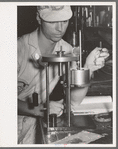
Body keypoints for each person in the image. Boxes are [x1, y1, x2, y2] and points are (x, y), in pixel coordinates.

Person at [18, 5, 109, 144]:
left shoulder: (66, 50)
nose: (60, 28)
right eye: (53, 22)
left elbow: (73, 101)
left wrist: (88, 69)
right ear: (38, 18)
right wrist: (41, 110)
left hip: (35, 127)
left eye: (65, 21)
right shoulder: (17, 49)